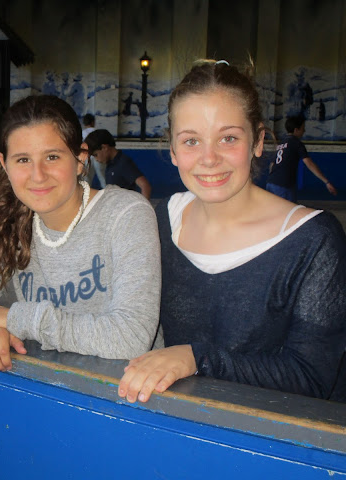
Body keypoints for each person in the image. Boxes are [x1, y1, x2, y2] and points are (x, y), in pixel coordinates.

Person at [118, 60, 346, 404]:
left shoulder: (314, 240)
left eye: (228, 138)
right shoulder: (162, 220)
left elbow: (311, 377)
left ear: (258, 141)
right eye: (191, 141)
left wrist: (197, 359)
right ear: (173, 151)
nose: (209, 158)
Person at [0, 95, 161, 372]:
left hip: (126, 390)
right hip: (46, 386)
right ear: (4, 164)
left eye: (52, 157)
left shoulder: (125, 214)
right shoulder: (12, 220)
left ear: (80, 158)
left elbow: (131, 337)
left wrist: (14, 319)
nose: (38, 175)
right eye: (23, 160)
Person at [266, 115, 337, 202]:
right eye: (303, 128)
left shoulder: (281, 143)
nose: (304, 131)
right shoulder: (296, 143)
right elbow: (309, 164)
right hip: (283, 185)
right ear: (296, 130)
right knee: (288, 209)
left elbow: (272, 165)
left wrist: (273, 179)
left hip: (271, 183)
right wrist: (326, 181)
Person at [84, 129, 152, 199]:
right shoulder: (110, 164)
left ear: (104, 148)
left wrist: (143, 205)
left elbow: (145, 185)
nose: (96, 159)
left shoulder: (123, 162)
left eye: (96, 155)